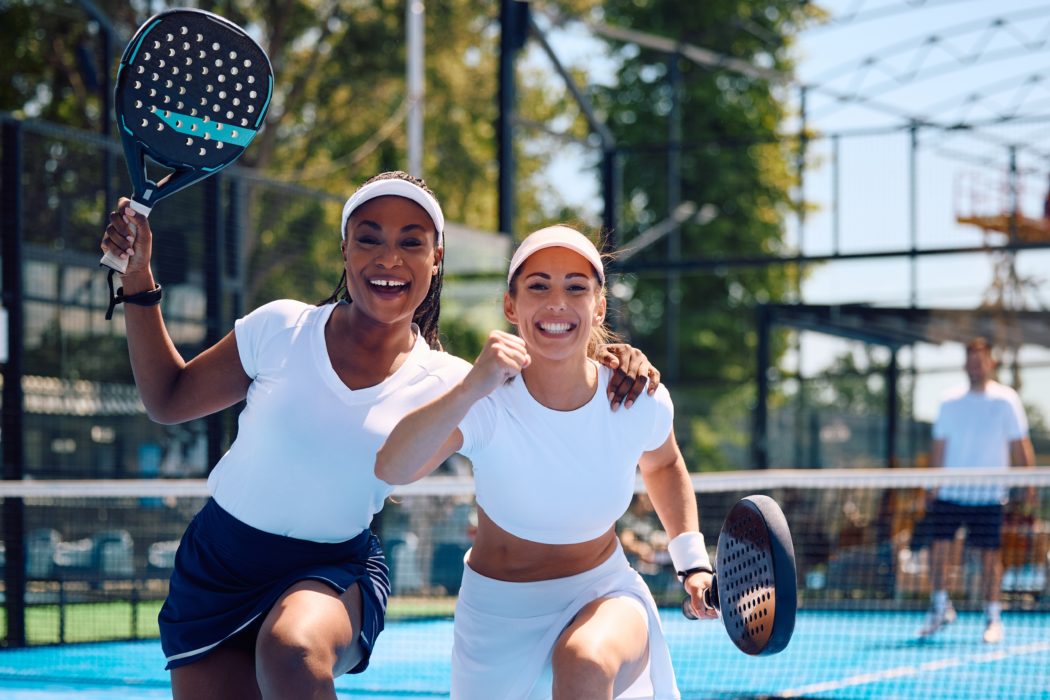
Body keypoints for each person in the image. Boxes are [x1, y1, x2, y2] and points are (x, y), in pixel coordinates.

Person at [100, 176, 657, 700]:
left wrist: (613, 361)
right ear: (344, 250)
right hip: (217, 566)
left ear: (435, 260)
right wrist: (137, 276)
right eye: (369, 239)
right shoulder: (280, 328)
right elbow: (168, 399)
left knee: (291, 651)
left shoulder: (454, 380)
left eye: (411, 243)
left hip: (333, 571)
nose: (389, 258)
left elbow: (551, 387)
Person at [376, 225, 717, 699]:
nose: (557, 301)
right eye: (538, 286)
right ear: (511, 305)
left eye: (576, 288)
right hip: (496, 617)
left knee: (585, 661)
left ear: (598, 306)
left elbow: (663, 464)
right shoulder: (484, 400)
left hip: (605, 594)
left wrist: (693, 565)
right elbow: (392, 468)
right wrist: (474, 384)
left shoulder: (638, 398)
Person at [918, 337, 1035, 644]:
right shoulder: (949, 401)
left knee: (988, 557)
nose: (975, 366)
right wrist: (932, 485)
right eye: (970, 360)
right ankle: (941, 607)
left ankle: (993, 617)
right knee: (938, 551)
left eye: (980, 360)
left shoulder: (1006, 400)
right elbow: (939, 446)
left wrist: (1030, 483)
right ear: (965, 365)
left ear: (990, 363)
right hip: (951, 493)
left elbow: (1021, 445)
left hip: (988, 494)